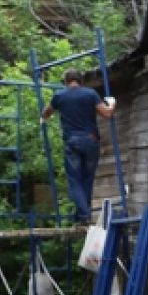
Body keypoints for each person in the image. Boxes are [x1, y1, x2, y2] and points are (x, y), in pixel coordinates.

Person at [40, 68, 116, 223]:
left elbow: (45, 114)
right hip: (91, 140)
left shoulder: (59, 96)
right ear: (80, 80)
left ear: (66, 81)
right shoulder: (90, 94)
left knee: (75, 180)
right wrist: (112, 103)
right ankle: (82, 215)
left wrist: (48, 115)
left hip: (72, 142)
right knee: (87, 179)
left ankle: (83, 215)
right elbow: (107, 114)